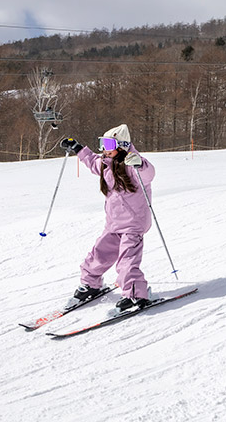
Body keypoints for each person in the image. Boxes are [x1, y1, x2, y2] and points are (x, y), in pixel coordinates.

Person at [60, 124, 156, 312]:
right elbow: (91, 161)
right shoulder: (106, 164)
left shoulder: (133, 165)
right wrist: (78, 148)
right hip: (113, 223)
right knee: (99, 255)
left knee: (127, 262)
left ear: (122, 145)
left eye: (109, 144)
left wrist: (140, 164)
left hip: (133, 225)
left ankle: (136, 294)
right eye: (102, 143)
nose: (104, 149)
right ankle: (91, 284)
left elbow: (149, 174)